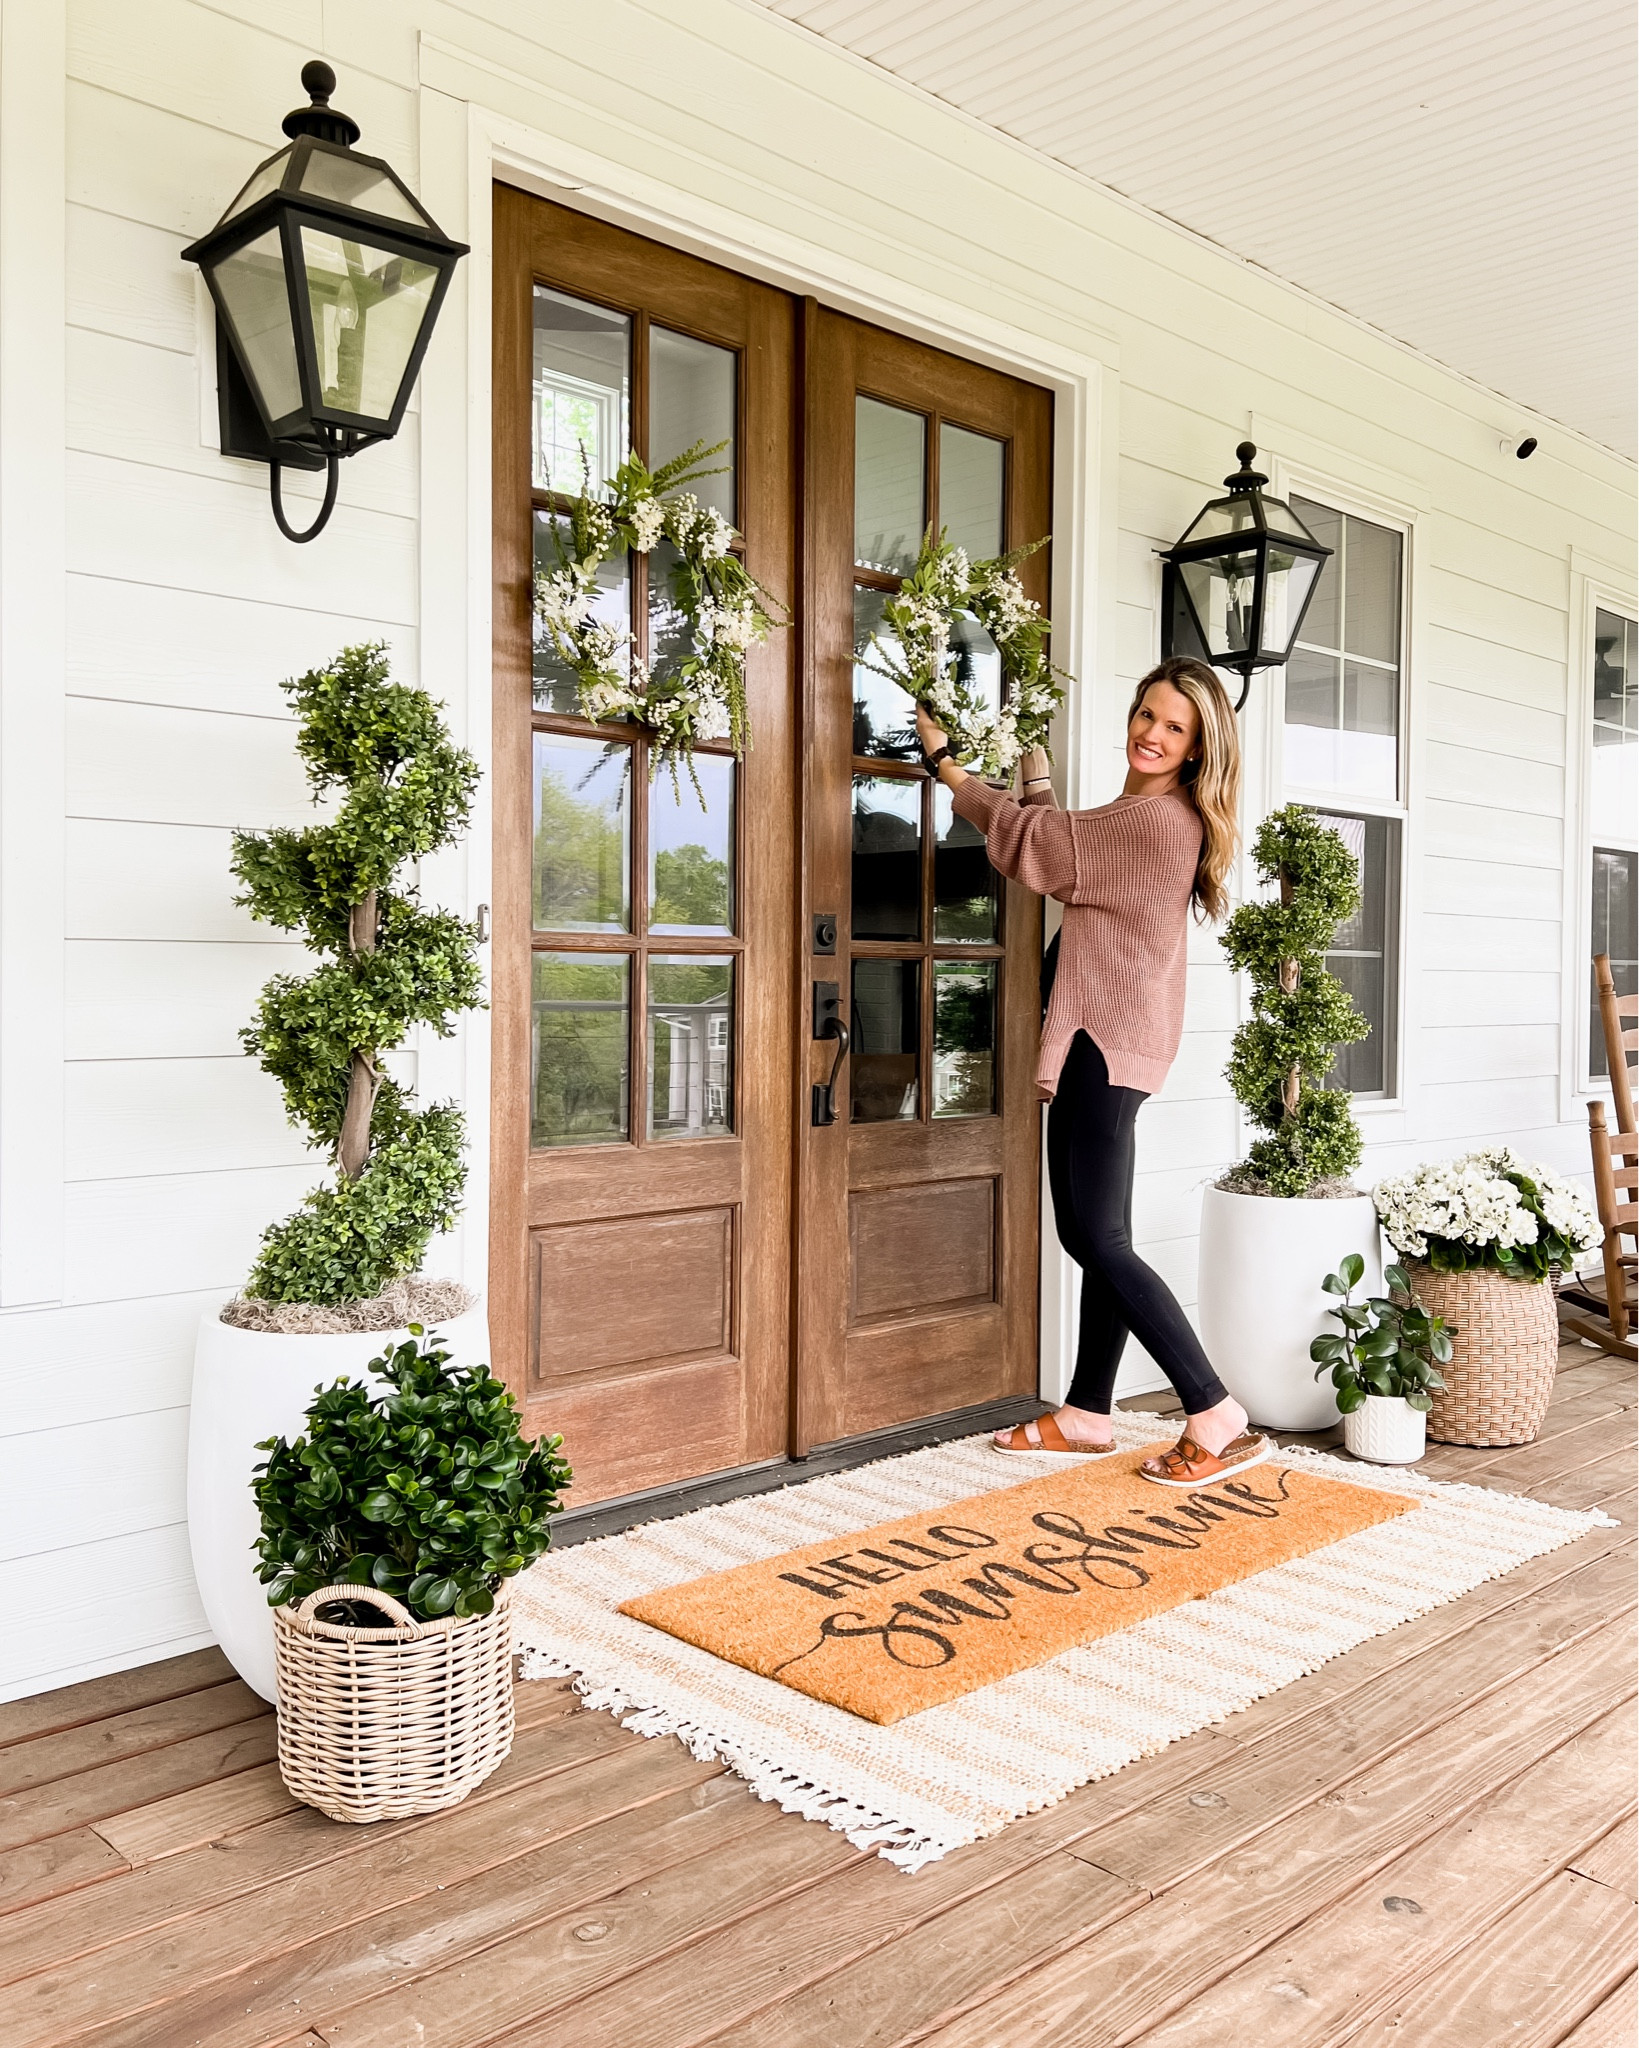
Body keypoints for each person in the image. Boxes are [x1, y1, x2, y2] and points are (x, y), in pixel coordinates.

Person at [915, 656, 1264, 1488]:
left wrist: (945, 767)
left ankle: (1211, 1407)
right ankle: (1086, 1413)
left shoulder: (1157, 824)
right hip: (1111, 1040)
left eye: (1173, 727)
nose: (1151, 733)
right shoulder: (1132, 816)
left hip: (1100, 1044)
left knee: (1092, 1235)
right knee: (1105, 1233)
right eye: (1147, 714)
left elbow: (1039, 848)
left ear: (1196, 748)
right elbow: (1066, 845)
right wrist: (1031, 762)